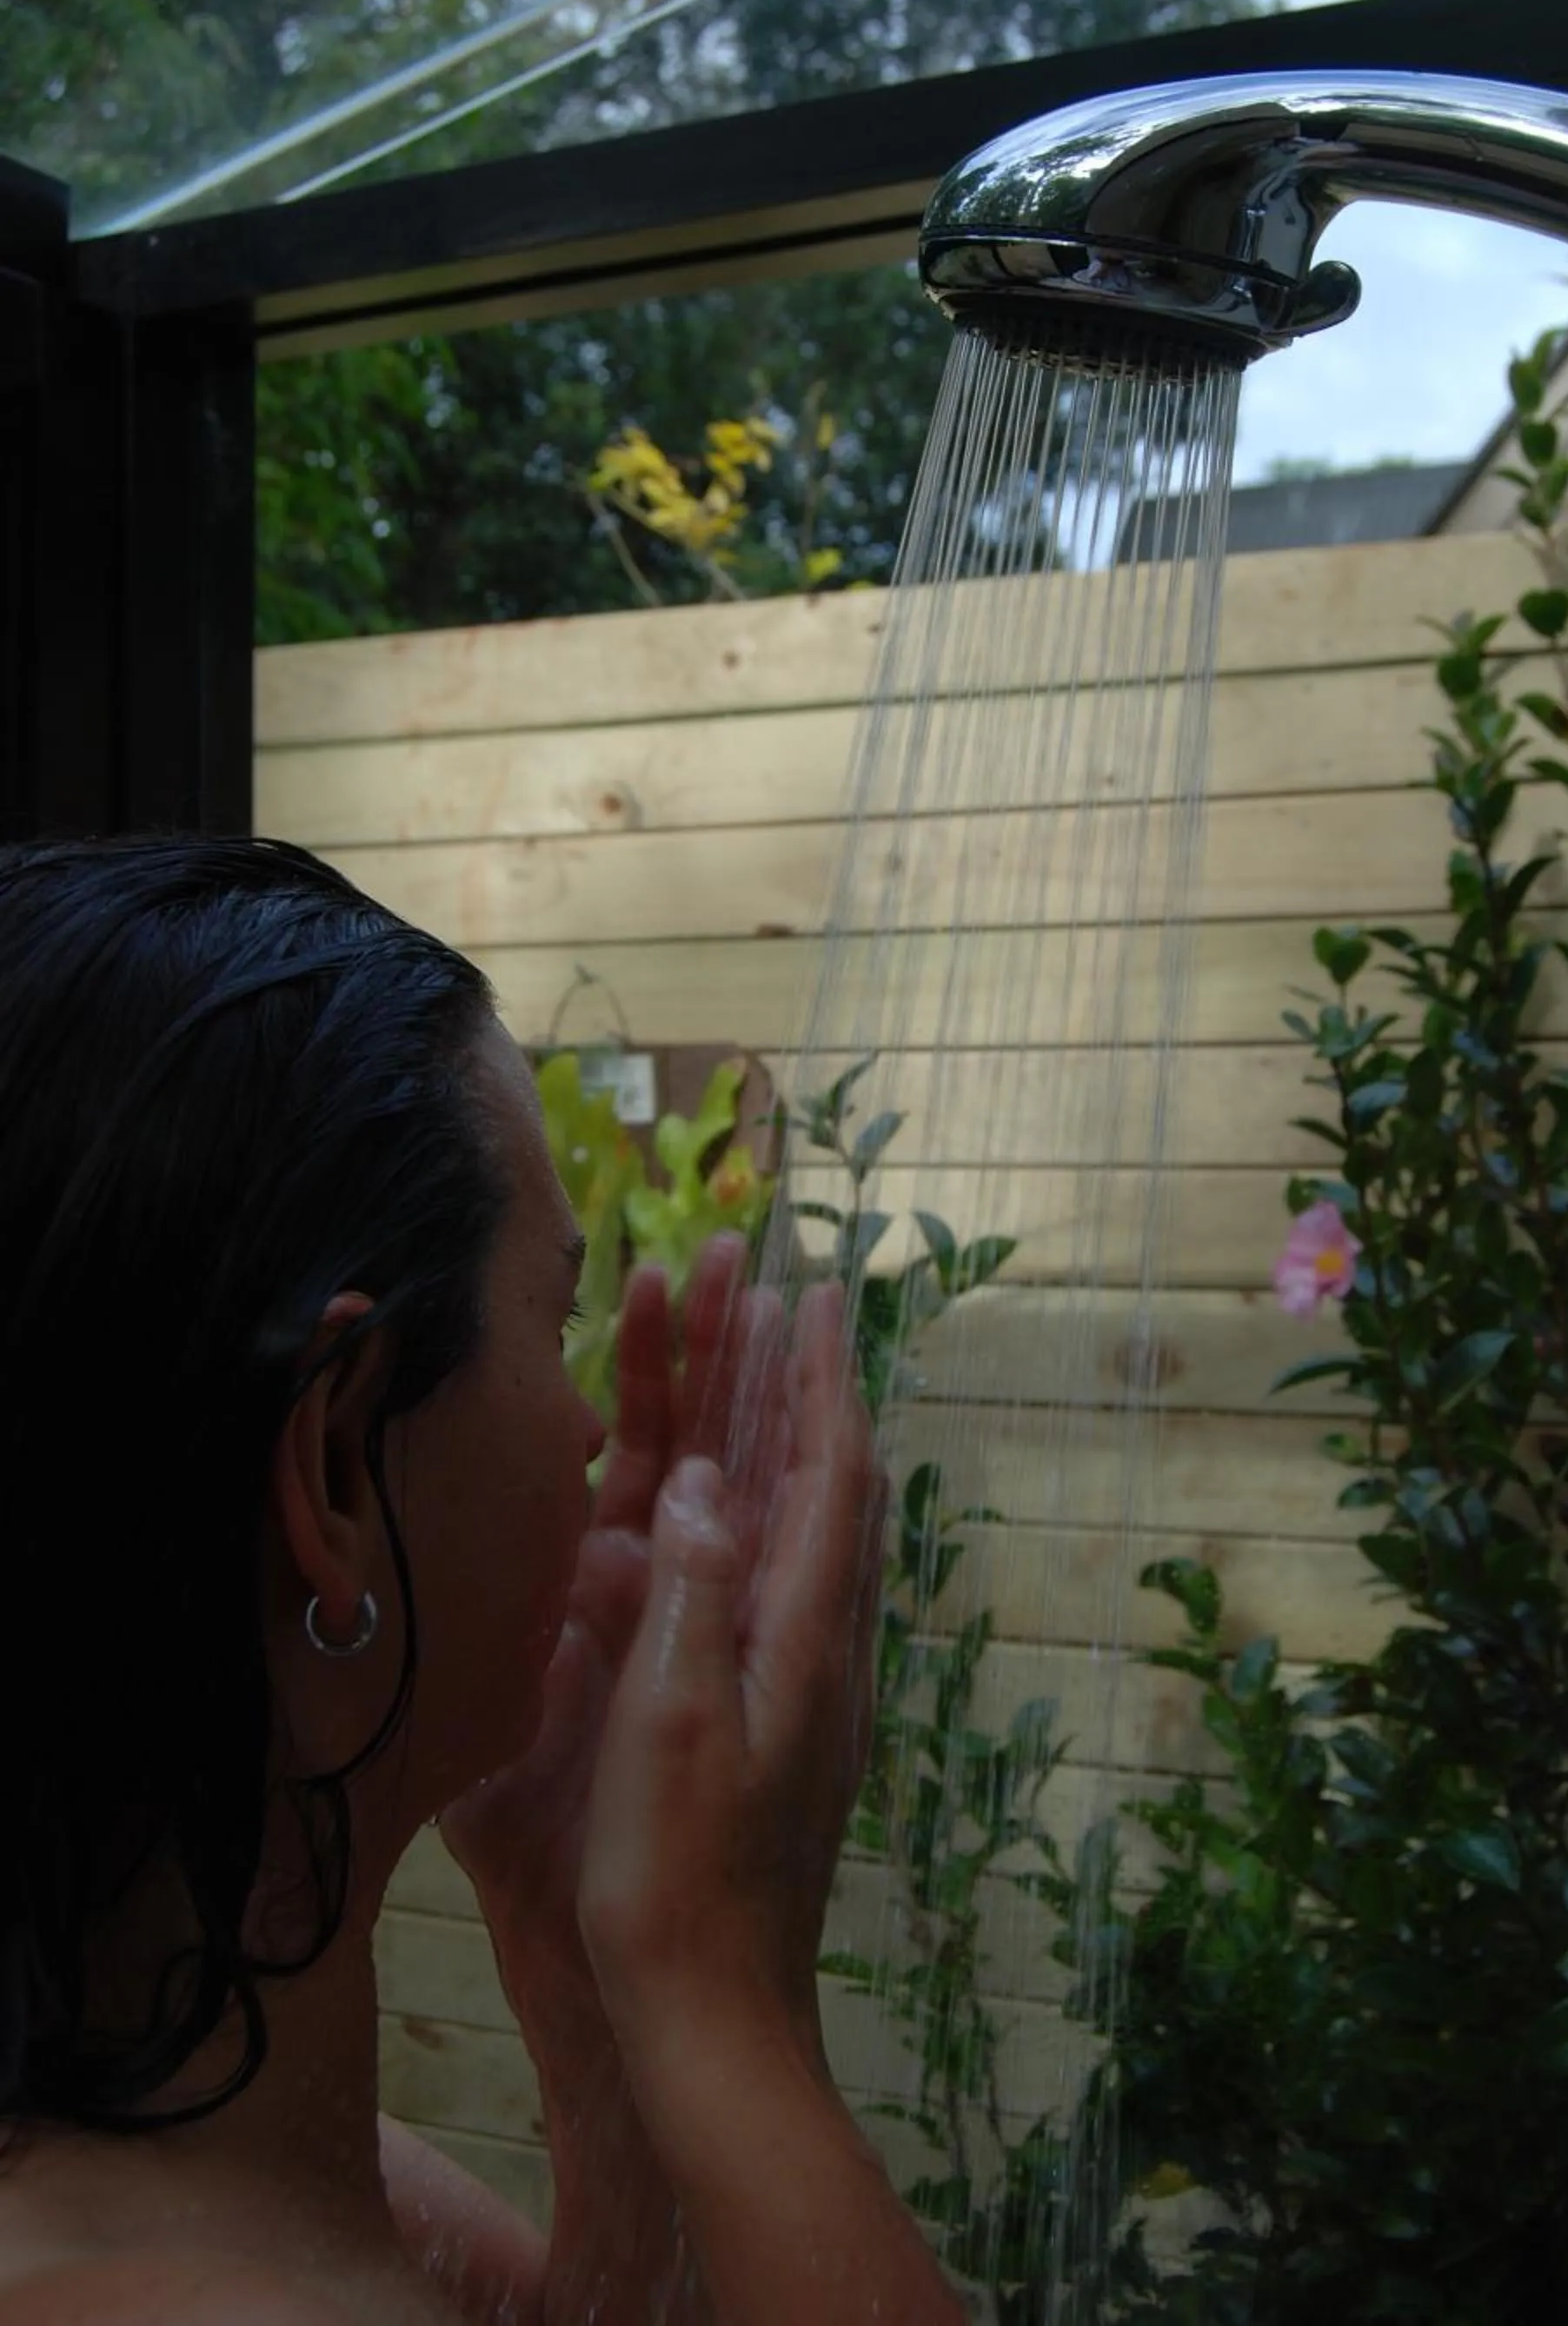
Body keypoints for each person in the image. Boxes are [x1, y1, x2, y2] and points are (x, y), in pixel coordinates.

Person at [0, 835, 967, 2325]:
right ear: (333, 1464)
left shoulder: (224, 2161)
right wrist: (724, 1989)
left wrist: (582, 1976)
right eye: (554, 1316)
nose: (591, 1427)